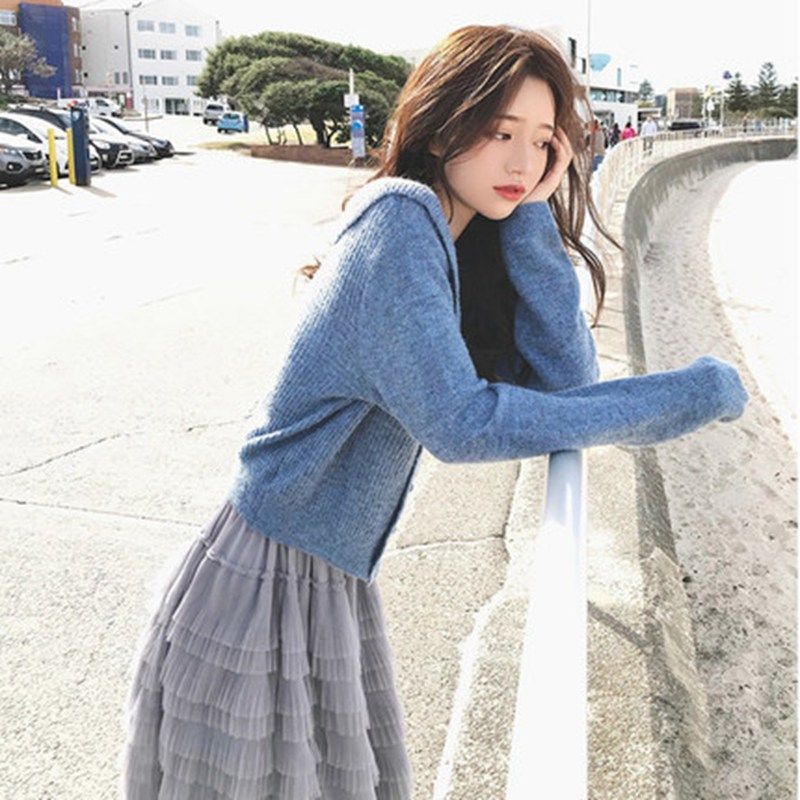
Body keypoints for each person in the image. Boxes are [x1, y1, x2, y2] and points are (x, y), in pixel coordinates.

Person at [118, 23, 750, 799]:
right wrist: (685, 396)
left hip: (328, 584)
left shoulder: (460, 242)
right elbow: (463, 424)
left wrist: (529, 214)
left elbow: (566, 382)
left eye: (542, 142)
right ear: (443, 123)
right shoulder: (398, 224)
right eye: (500, 133)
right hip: (263, 585)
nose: (521, 162)